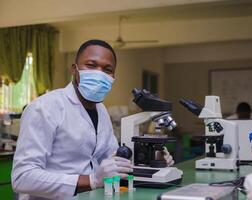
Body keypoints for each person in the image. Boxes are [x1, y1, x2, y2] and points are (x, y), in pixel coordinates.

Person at [12, 40, 174, 200]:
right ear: (74, 69)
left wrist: (152, 160)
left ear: (113, 76)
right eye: (91, 65)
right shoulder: (44, 108)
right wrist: (91, 180)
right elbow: (23, 177)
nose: (99, 73)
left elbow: (111, 159)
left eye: (107, 69)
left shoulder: (101, 110)